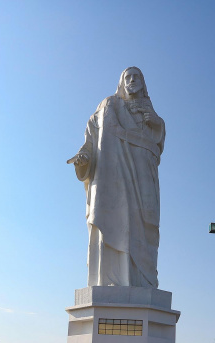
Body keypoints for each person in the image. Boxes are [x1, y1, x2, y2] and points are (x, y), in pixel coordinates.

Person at [70, 66, 165, 288]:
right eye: (128, 77)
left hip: (143, 179)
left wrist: (156, 124)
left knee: (143, 226)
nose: (132, 80)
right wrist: (84, 156)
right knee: (113, 219)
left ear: (143, 82)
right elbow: (91, 138)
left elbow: (158, 146)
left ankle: (141, 280)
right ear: (121, 82)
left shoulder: (151, 114)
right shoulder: (108, 106)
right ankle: (110, 279)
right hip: (111, 178)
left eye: (136, 76)